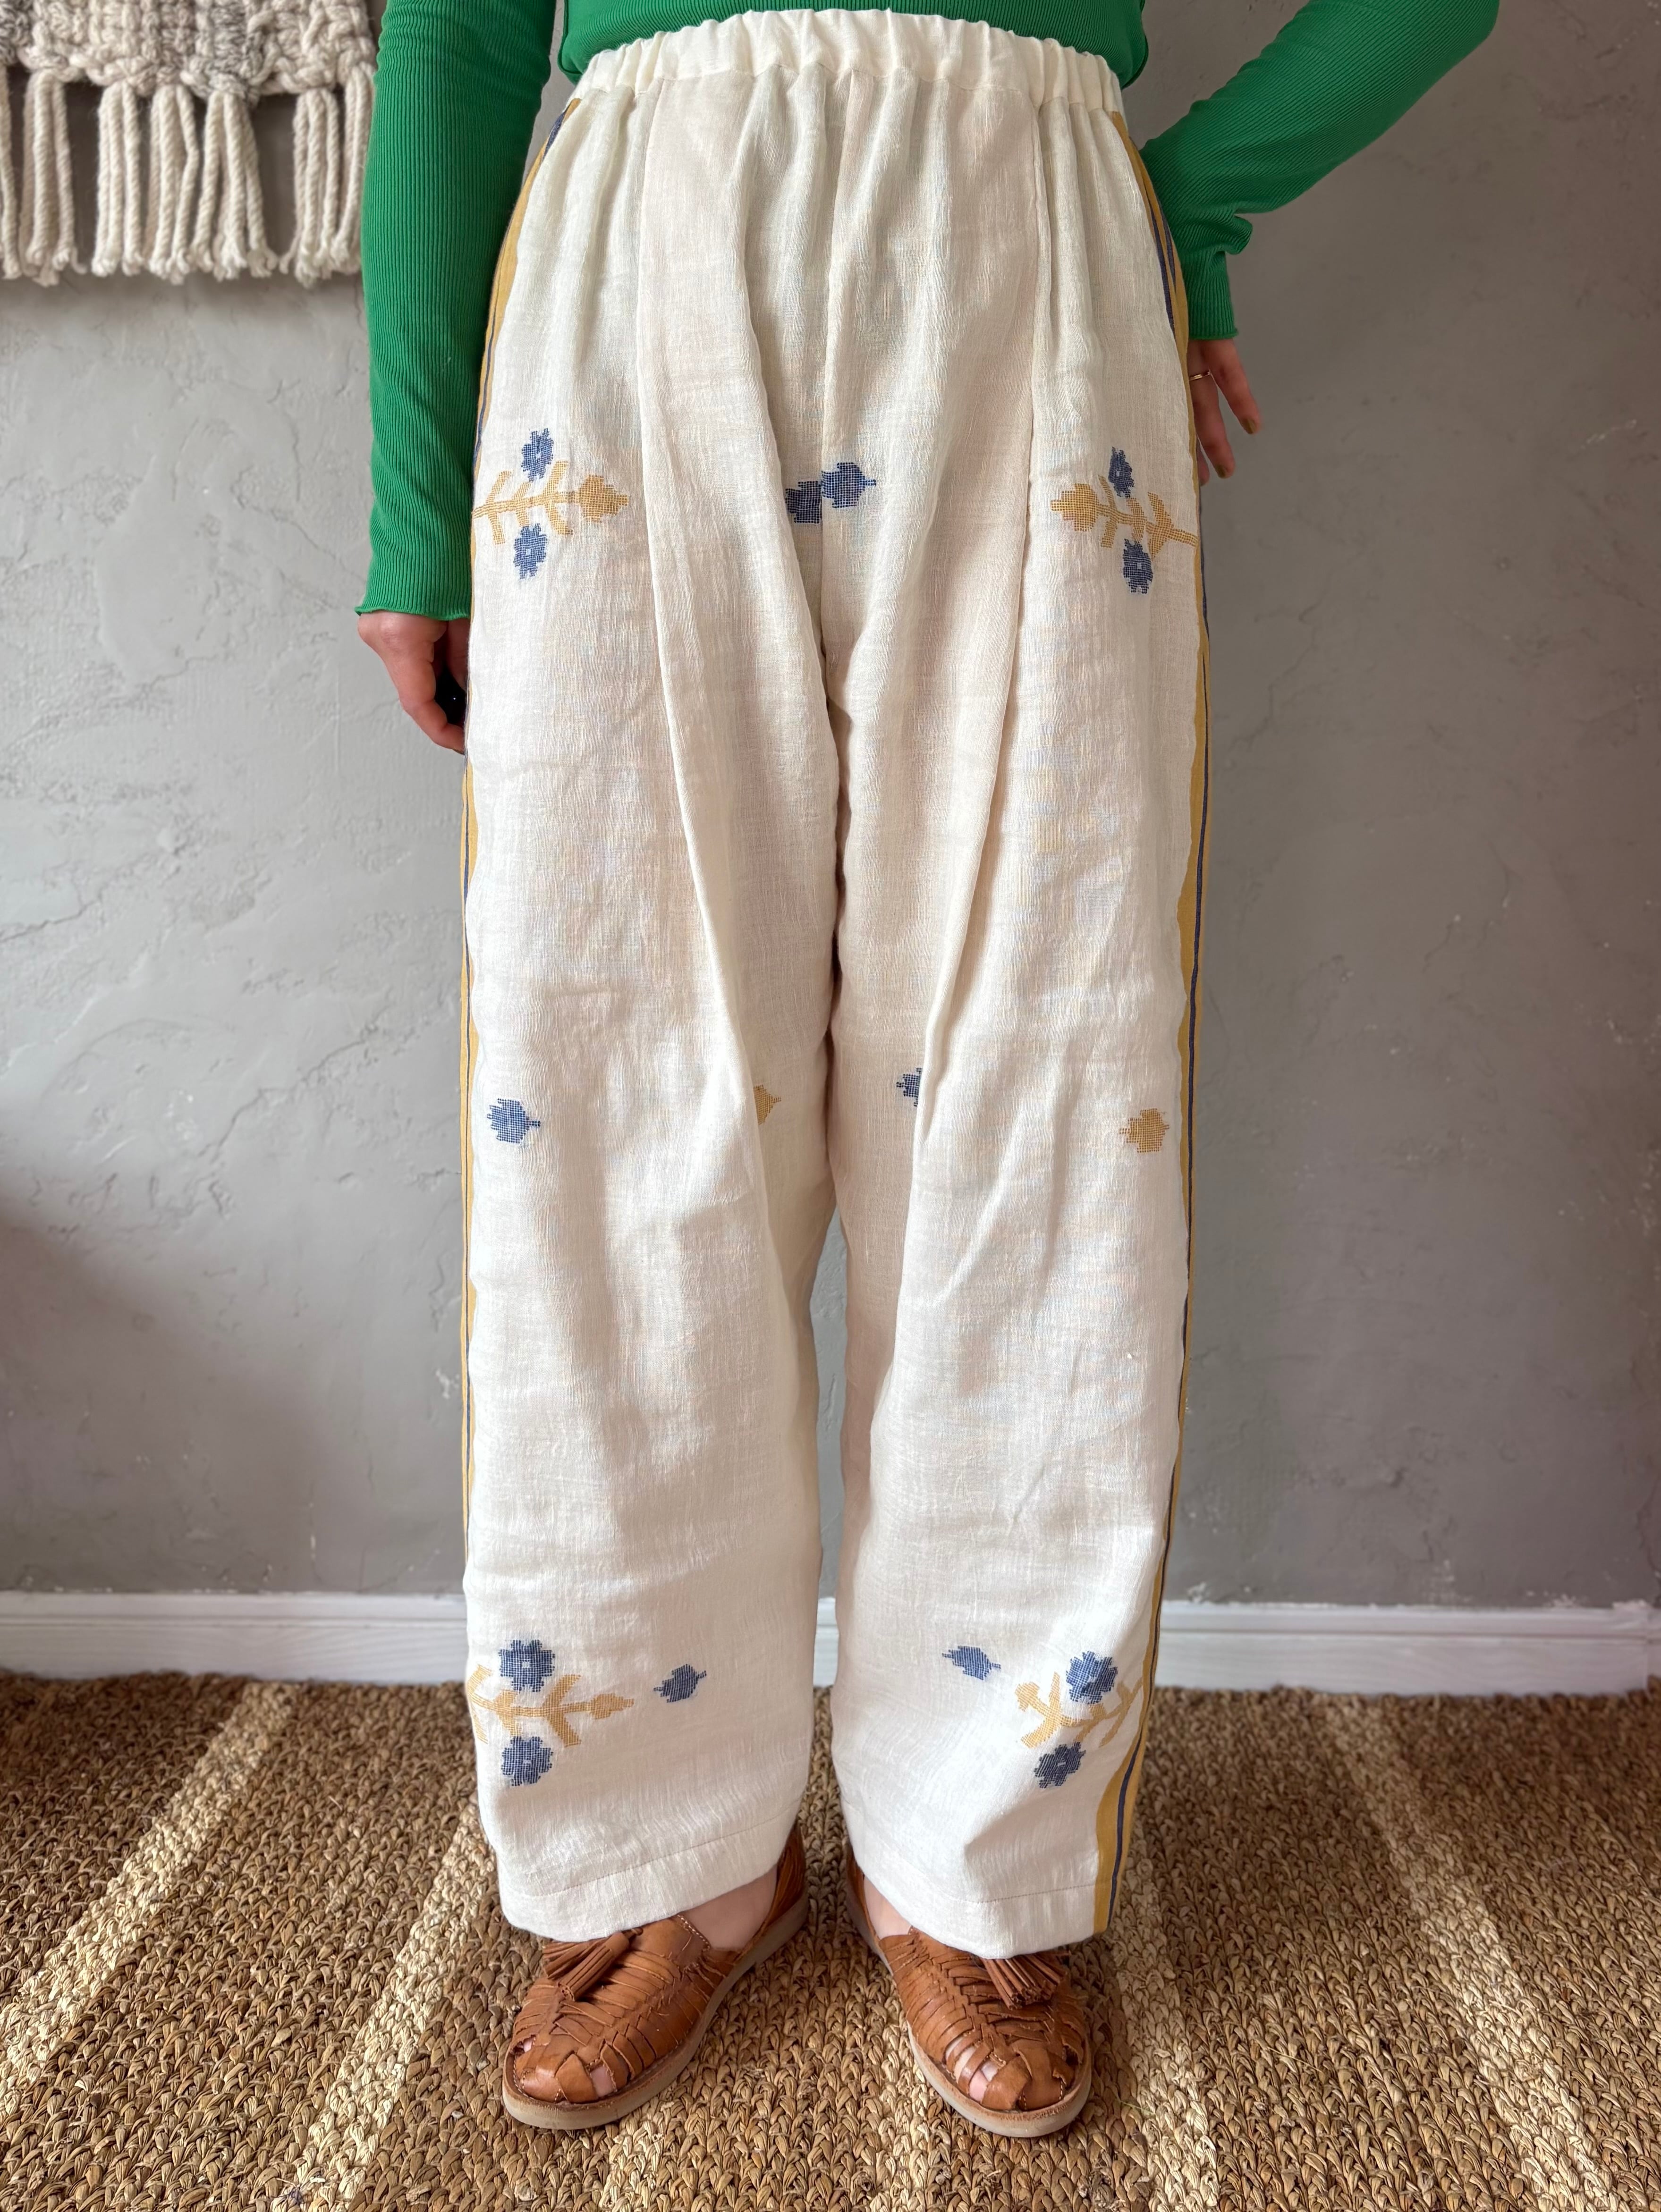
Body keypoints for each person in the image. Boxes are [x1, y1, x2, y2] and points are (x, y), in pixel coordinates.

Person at [357, 0, 1498, 2139]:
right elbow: (458, 28)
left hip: (1029, 260)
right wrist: (418, 504)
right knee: (620, 1096)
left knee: (1033, 1092)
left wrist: (1180, 205)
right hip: (640, 262)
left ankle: (969, 1858)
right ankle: (671, 1853)